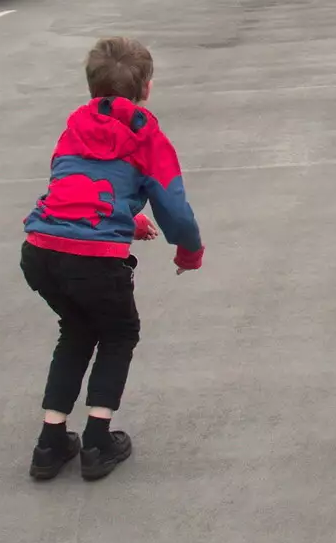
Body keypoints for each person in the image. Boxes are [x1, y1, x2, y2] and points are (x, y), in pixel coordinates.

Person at [19, 36, 204, 482]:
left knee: (77, 330)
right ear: (147, 89)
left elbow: (76, 185)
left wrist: (129, 220)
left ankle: (51, 442)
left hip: (41, 249)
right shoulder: (148, 136)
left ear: (91, 88)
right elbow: (173, 204)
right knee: (119, 333)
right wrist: (189, 250)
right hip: (94, 261)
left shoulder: (75, 125)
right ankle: (98, 441)